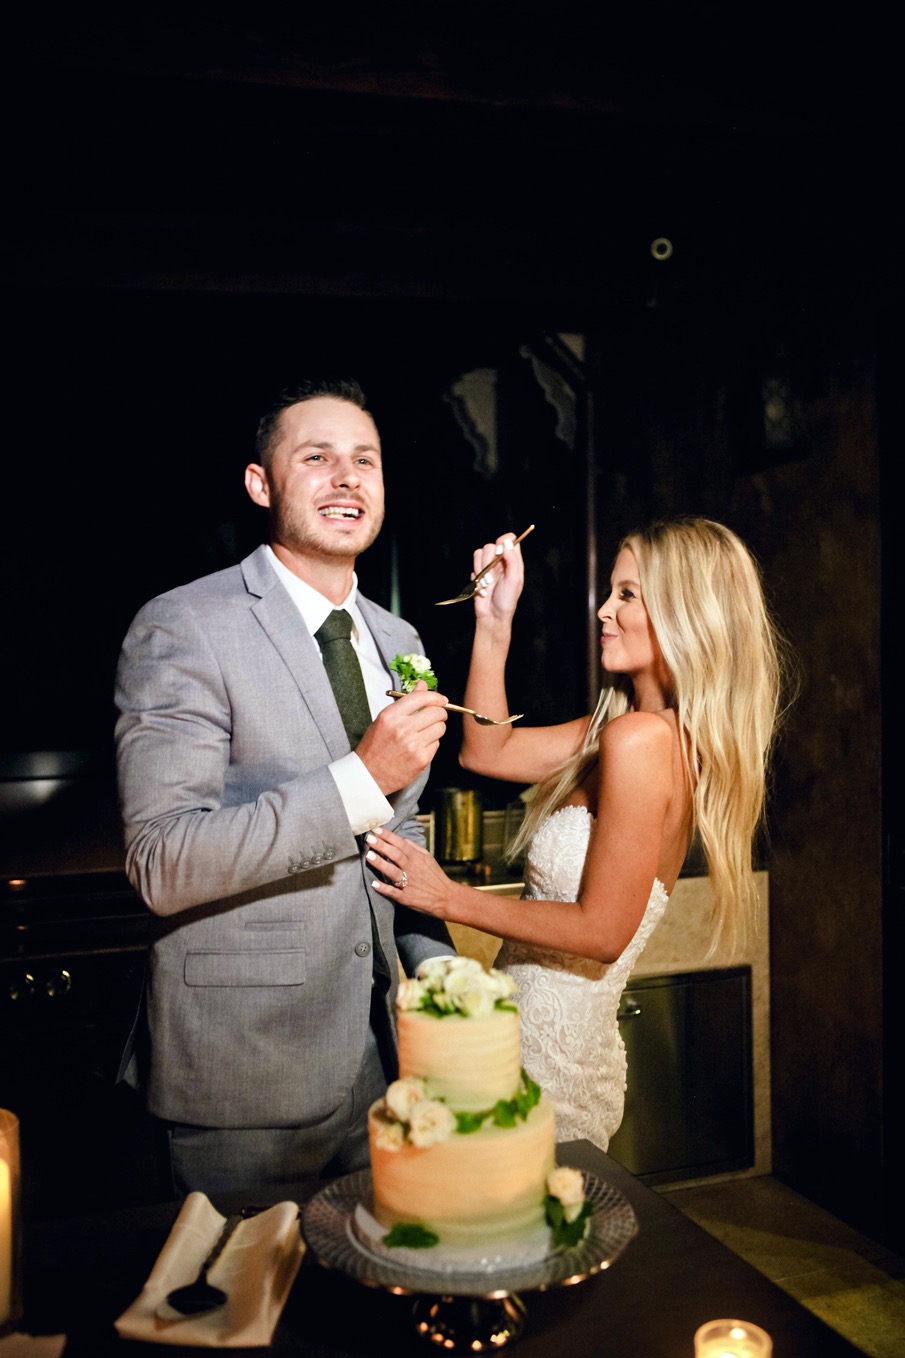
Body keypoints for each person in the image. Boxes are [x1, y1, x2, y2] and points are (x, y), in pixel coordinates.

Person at [114, 377, 455, 1195]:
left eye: (364, 461)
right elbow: (162, 862)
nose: (347, 477)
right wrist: (361, 775)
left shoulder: (397, 637)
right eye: (318, 458)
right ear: (260, 484)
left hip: (380, 1062)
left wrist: (434, 962)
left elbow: (394, 830)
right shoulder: (185, 623)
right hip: (245, 1070)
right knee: (239, 1311)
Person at [364, 516, 785, 1150]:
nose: (603, 612)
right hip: (525, 1041)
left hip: (550, 1065)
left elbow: (602, 933)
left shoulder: (641, 741)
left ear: (684, 612)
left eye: (627, 595)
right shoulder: (620, 731)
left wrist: (447, 897)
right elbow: (487, 749)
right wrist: (494, 621)